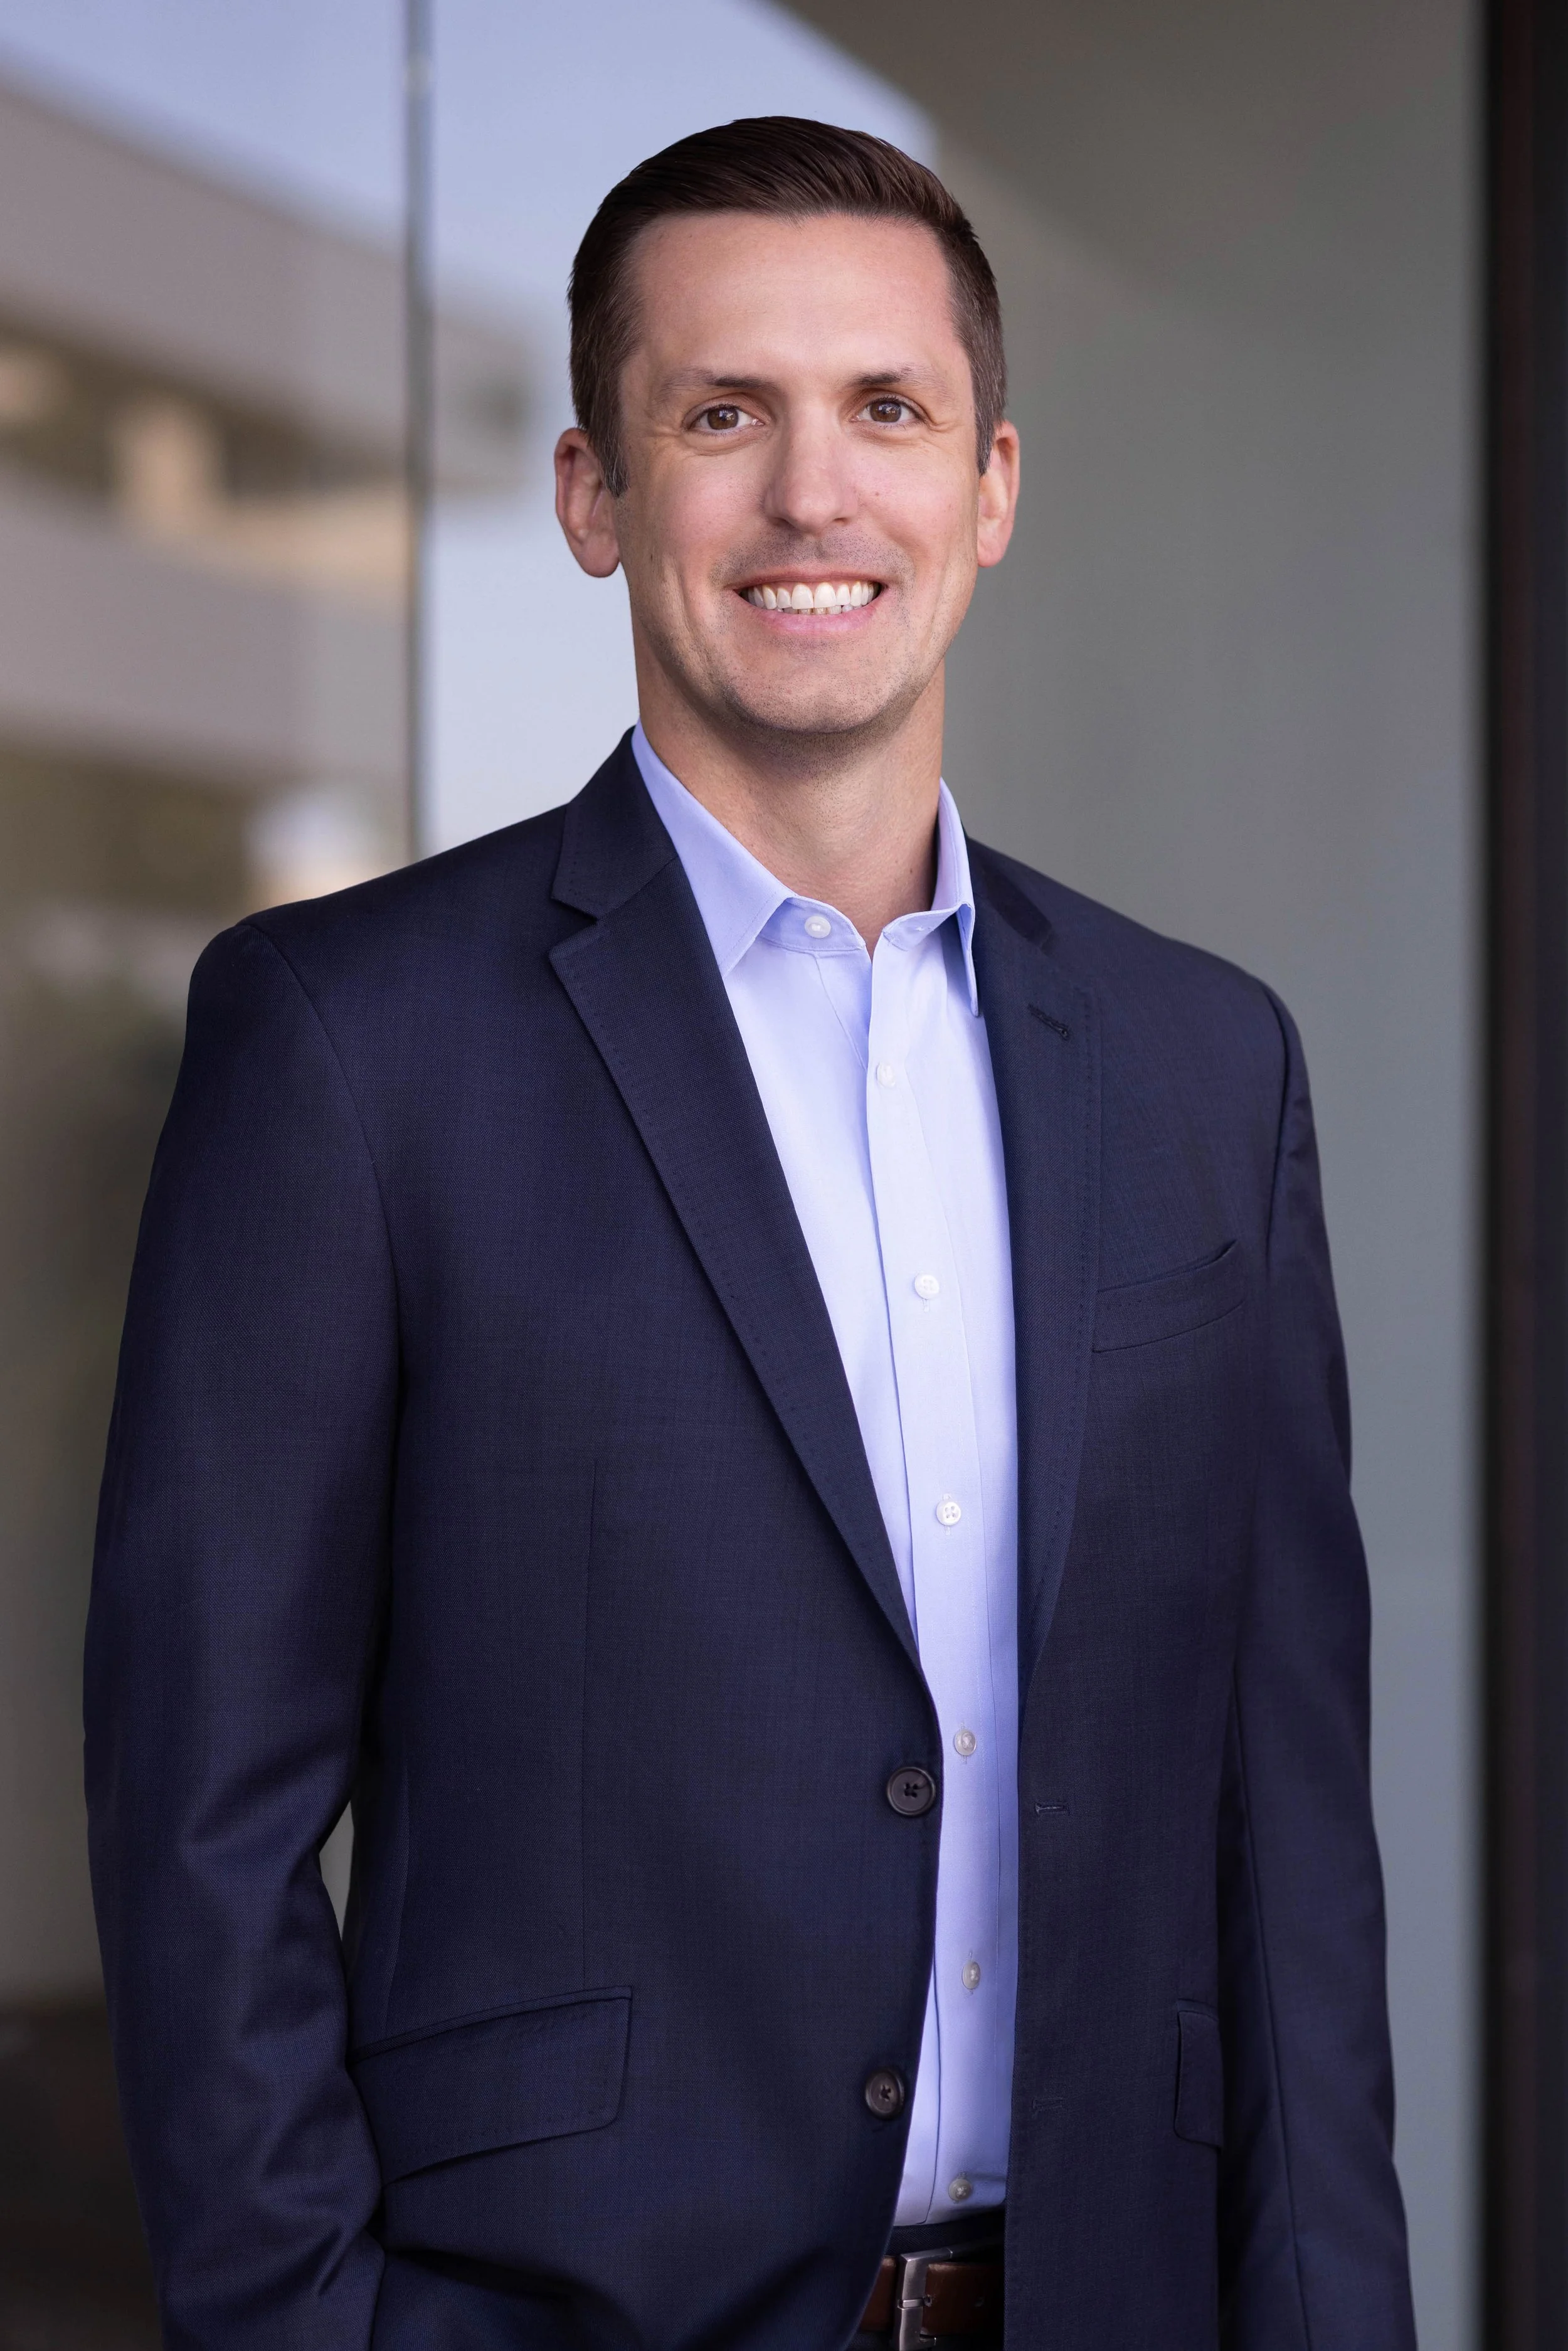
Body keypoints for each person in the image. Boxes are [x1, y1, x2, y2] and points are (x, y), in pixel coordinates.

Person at [85, 117, 1417, 2350]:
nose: (817, 493)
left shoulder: (1209, 1067)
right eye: (724, 414)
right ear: (597, 493)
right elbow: (201, 1812)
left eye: (885, 410)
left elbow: (1287, 1853)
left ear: (989, 484)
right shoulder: (354, 1038)